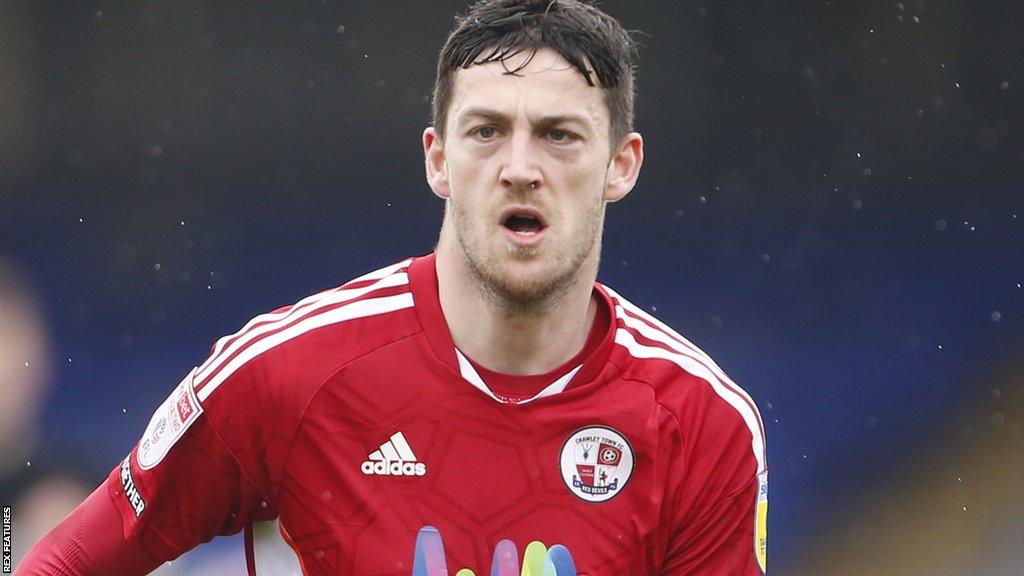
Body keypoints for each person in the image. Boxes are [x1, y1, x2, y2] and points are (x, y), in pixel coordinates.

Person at [18, 0, 767, 574]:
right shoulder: (287, 373)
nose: (519, 166)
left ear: (622, 165)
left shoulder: (703, 422)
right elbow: (67, 562)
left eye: (560, 135)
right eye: (485, 131)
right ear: (437, 160)